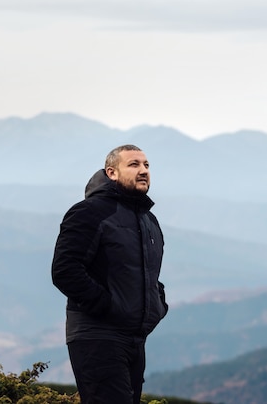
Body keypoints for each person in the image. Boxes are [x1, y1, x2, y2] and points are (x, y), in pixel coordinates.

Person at [51, 144, 168, 404]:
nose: (143, 171)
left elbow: (150, 275)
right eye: (134, 165)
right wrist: (107, 306)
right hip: (97, 335)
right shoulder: (90, 212)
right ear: (111, 173)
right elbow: (65, 270)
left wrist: (158, 305)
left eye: (146, 165)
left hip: (134, 339)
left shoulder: (149, 221)